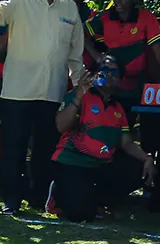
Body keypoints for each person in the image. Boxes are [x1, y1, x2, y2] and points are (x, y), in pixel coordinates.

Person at [0, 0, 86, 215]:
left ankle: (38, 198)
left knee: (44, 149)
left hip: (52, 92)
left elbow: (75, 54)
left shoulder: (69, 8)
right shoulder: (19, 1)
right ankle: (11, 200)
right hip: (18, 91)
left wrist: (80, 86)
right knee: (13, 148)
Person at [50, 57, 156, 220]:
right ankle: (58, 193)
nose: (109, 75)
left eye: (114, 72)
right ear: (94, 74)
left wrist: (147, 158)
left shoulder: (118, 107)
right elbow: (60, 126)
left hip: (101, 166)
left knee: (137, 168)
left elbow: (126, 143)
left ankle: (97, 202)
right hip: (73, 163)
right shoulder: (79, 95)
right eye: (104, 70)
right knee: (80, 215)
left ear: (120, 79)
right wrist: (79, 96)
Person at [83, 0, 160, 152]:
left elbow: (156, 49)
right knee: (115, 130)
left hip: (143, 83)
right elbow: (80, 33)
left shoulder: (145, 17)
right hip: (113, 84)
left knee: (149, 128)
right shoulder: (104, 17)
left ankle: (147, 159)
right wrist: (97, 56)